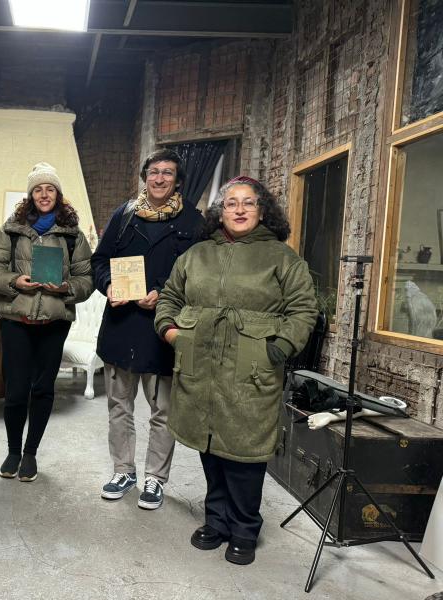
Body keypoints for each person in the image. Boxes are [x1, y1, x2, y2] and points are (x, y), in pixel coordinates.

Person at [154, 175, 317, 565]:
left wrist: (277, 349)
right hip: (199, 367)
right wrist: (172, 333)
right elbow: (170, 296)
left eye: (248, 203)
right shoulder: (196, 255)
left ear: (262, 211)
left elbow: (303, 309)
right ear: (220, 211)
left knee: (244, 453)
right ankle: (216, 522)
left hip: (251, 371)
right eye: (231, 203)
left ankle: (244, 529)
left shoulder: (281, 258)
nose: (239, 209)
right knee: (210, 446)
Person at [91, 148, 204, 510]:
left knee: (163, 410)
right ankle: (123, 471)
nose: (159, 178)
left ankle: (155, 478)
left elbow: (200, 276)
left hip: (163, 329)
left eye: (167, 173)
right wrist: (109, 285)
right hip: (121, 325)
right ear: (145, 177)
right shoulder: (124, 214)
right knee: (119, 406)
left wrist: (164, 293)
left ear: (178, 180)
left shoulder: (194, 221)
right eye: (154, 172)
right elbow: (99, 260)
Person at [0, 162, 93, 482]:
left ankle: (30, 453)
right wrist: (14, 281)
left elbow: (87, 278)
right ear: (30, 195)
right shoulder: (11, 230)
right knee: (16, 390)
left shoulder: (73, 236)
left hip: (54, 322)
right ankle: (13, 451)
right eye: (38, 189)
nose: (44, 194)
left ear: (58, 194)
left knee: (43, 389)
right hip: (16, 319)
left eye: (50, 189)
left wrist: (66, 288)